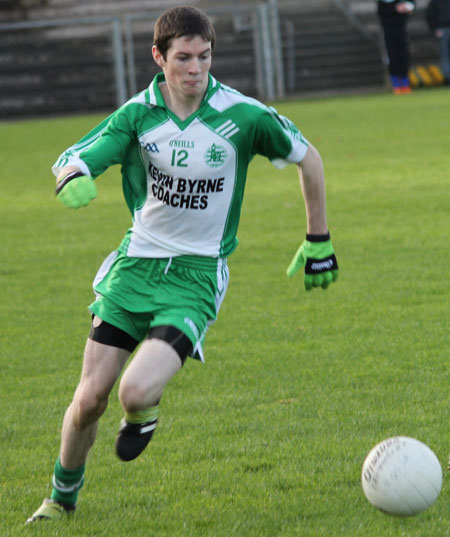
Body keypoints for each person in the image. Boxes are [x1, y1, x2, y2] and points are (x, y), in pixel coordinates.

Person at [26, 5, 339, 523]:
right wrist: (72, 177)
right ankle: (60, 499)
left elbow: (309, 158)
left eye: (205, 57)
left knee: (133, 391)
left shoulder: (242, 115)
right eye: (184, 58)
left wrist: (319, 239)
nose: (196, 69)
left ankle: (143, 414)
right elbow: (81, 154)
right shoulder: (139, 113)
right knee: (88, 401)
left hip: (194, 277)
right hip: (134, 270)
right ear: (159, 56)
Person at [377, 0, 416, 93]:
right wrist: (395, 9)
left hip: (401, 30)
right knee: (392, 57)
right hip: (389, 32)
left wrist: (407, 8)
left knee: (404, 56)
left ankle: (405, 84)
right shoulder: (383, 3)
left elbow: (411, 5)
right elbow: (381, 13)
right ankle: (396, 84)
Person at [425, 0, 450, 83]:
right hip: (442, 29)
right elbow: (429, 16)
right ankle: (447, 77)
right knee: (444, 54)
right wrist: (435, 29)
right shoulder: (434, 2)